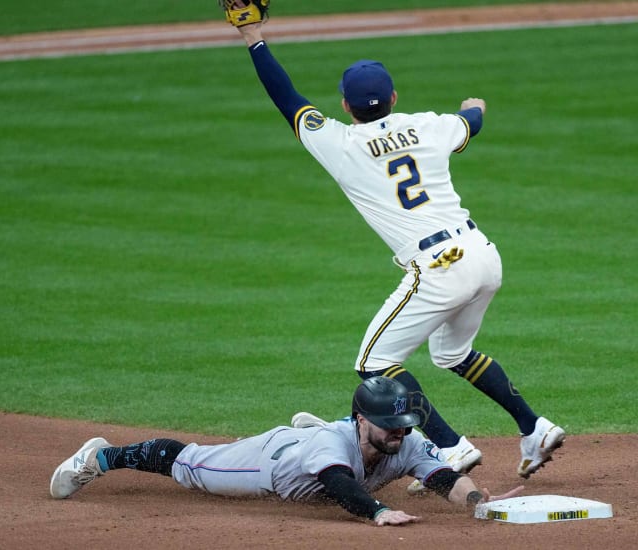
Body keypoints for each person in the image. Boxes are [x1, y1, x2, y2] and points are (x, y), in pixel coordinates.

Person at [225, 4, 565, 485]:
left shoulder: (339, 144)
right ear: (394, 97)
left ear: (344, 105)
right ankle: (535, 428)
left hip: (437, 266)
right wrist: (475, 107)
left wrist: (253, 37)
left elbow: (287, 98)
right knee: (452, 353)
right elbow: (472, 121)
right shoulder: (428, 124)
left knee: (374, 363)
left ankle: (451, 447)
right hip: (483, 256)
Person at [50, 377, 521, 526]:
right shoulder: (337, 445)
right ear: (363, 420)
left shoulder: (407, 441)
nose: (399, 434)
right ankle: (102, 457)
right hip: (272, 463)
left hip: (325, 449)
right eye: (389, 426)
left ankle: (312, 436)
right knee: (189, 465)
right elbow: (338, 486)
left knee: (346, 457)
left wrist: (478, 502)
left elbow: (442, 477)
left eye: (402, 426)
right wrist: (378, 512)